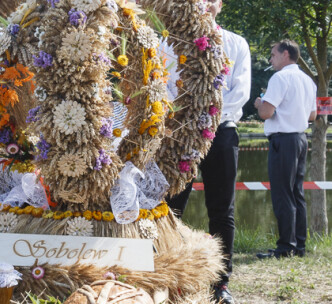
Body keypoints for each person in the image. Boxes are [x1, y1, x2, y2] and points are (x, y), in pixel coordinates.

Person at [164, 0, 251, 302]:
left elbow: (240, 91)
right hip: (181, 132)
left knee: (222, 209)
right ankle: (169, 276)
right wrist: (187, 117)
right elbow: (165, 85)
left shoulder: (236, 43)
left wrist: (208, 115)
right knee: (171, 205)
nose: (204, 4)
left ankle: (220, 284)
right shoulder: (170, 41)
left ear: (220, 5)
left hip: (222, 131)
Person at [254, 40, 316, 259]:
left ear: (285, 54)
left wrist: (260, 103)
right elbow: (312, 116)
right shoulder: (308, 80)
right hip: (300, 138)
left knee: (282, 194)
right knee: (297, 194)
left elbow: (266, 113)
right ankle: (298, 246)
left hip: (283, 140)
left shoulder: (280, 78)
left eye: (273, 54)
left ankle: (285, 247)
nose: (271, 59)